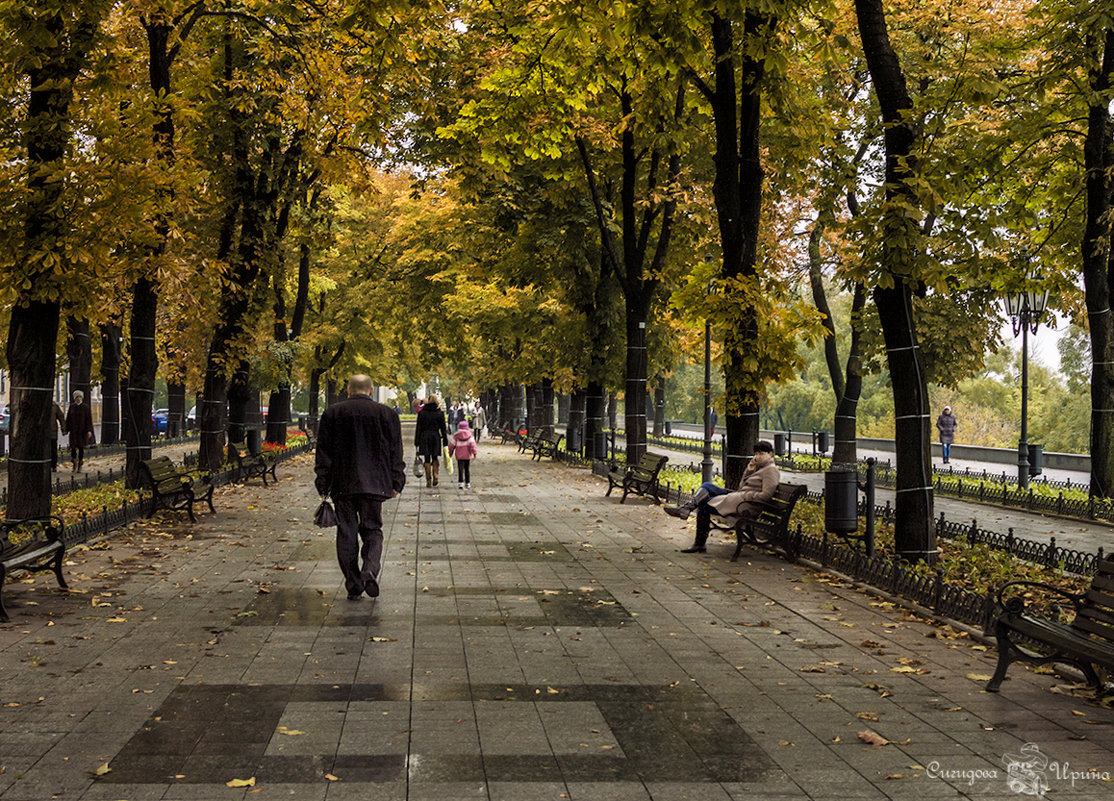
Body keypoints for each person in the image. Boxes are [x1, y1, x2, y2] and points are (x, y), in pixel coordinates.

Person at [314, 374, 405, 601]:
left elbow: (323, 452)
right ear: (371, 391)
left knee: (346, 533)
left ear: (348, 390)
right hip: (376, 484)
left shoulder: (332, 414)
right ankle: (370, 570)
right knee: (373, 530)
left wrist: (323, 483)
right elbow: (396, 451)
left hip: (342, 484)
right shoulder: (387, 415)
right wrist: (396, 480)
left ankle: (353, 584)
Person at [663, 440, 780, 554]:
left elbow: (766, 495)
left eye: (761, 454)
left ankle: (698, 542)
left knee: (703, 504)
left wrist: (746, 495)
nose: (758, 457)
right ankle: (687, 509)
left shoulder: (770, 470)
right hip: (739, 500)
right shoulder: (758, 468)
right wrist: (748, 471)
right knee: (707, 486)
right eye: (756, 454)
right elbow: (741, 487)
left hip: (746, 507)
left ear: (770, 454)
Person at [414, 395, 449, 487]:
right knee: (435, 457)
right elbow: (443, 429)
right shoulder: (440, 413)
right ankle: (435, 475)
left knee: (427, 458)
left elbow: (418, 428)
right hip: (435, 437)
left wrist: (416, 441)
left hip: (425, 436)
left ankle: (428, 479)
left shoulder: (422, 413)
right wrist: (445, 441)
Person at [65, 390, 95, 473]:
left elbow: (89, 420)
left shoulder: (85, 407)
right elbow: (68, 419)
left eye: (80, 397)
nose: (78, 399)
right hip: (74, 431)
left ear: (82, 398)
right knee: (73, 448)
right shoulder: (72, 407)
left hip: (82, 431)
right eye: (77, 397)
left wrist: (89, 430)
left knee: (81, 447)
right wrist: (66, 430)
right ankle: (74, 463)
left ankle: (80, 464)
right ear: (74, 398)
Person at [452, 420, 479, 489]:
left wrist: (450, 453)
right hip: (467, 456)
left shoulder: (456, 436)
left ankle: (460, 483)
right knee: (467, 469)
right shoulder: (470, 436)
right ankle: (467, 483)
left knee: (460, 469)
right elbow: (473, 445)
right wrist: (475, 453)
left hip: (459, 456)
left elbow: (451, 445)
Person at [50, 401, 67, 471]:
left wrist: (63, 429)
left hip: (52, 432)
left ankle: (53, 466)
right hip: (42, 433)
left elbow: (61, 417)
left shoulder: (54, 406)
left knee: (53, 450)